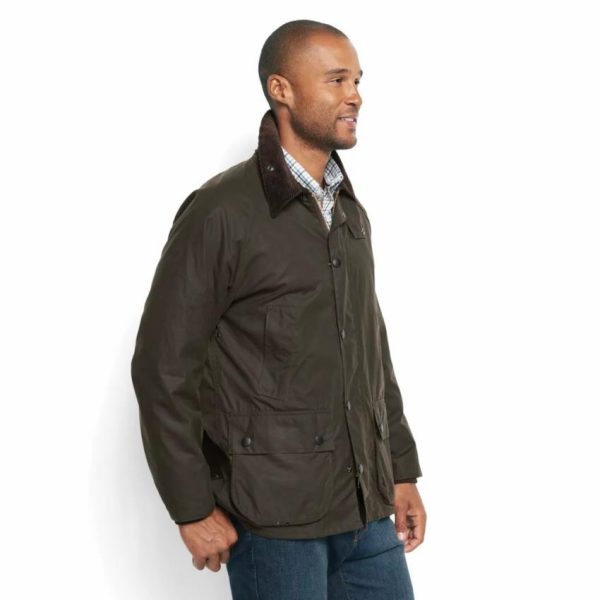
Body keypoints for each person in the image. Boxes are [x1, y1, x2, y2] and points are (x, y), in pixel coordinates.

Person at [131, 19, 427, 600]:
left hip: (365, 509)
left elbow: (370, 349)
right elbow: (162, 368)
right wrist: (191, 507)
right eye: (337, 80)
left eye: (358, 80)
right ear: (281, 89)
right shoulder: (222, 211)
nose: (355, 96)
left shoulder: (348, 210)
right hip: (274, 520)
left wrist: (398, 468)